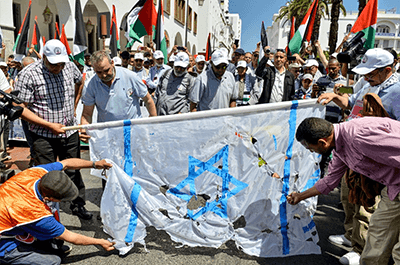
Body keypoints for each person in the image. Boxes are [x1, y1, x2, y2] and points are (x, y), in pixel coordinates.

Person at [317, 48, 400, 265]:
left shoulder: (398, 92)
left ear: (388, 70)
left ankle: (361, 246)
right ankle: (357, 244)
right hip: (358, 154)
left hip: (382, 164)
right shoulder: (370, 85)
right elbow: (351, 104)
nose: (365, 77)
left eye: (370, 73)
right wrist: (335, 96)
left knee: (368, 209)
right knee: (351, 199)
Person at [287, 117, 400, 265]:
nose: (313, 152)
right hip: (394, 188)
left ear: (322, 142)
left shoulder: (360, 137)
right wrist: (300, 196)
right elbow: (330, 180)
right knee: (378, 236)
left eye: (311, 148)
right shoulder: (340, 146)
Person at [13, 39, 92, 220]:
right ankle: (45, 211)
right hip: (42, 135)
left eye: (61, 64)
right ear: (44, 59)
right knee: (46, 173)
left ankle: (78, 204)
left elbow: (79, 81)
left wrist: (73, 105)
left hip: (69, 131)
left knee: (73, 169)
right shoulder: (29, 74)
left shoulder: (70, 67)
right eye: (54, 65)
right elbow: (20, 108)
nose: (58, 68)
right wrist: (48, 125)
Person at [0, 158, 115, 265]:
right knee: (53, 261)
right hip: (3, 239)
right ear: (48, 198)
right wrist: (100, 242)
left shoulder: (37, 172)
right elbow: (71, 237)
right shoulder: (36, 214)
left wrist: (95, 164)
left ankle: (42, 241)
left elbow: (66, 163)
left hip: (7, 209)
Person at [80, 50, 156, 141]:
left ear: (112, 63)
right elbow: (87, 114)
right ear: (93, 68)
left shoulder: (131, 77)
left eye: (106, 70)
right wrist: (84, 130)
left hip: (133, 134)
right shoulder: (90, 85)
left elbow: (148, 100)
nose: (104, 75)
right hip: (107, 135)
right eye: (99, 72)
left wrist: (153, 121)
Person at [315, 58, 346, 123]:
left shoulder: (345, 82)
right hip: (322, 115)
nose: (331, 71)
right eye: (329, 68)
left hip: (337, 117)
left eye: (333, 68)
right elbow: (314, 97)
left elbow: (348, 99)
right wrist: (314, 91)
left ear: (339, 67)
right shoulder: (321, 80)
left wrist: (341, 91)